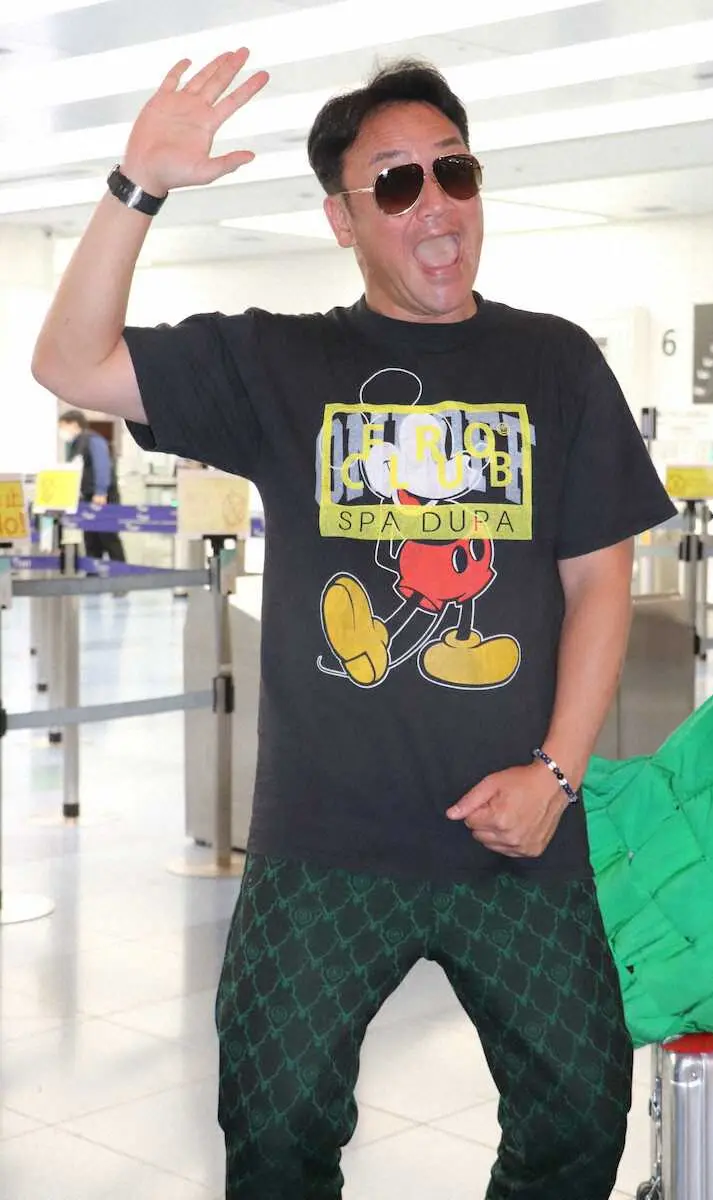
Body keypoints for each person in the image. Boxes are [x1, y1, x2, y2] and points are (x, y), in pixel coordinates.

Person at [32, 48, 677, 1200]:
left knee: (581, 1117)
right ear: (343, 218)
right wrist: (139, 184)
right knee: (276, 1128)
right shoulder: (281, 360)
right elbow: (70, 361)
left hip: (518, 840)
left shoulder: (556, 362)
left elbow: (597, 582)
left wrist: (556, 774)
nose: (436, 206)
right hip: (322, 842)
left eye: (455, 171)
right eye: (396, 183)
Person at [58, 409, 126, 563]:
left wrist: (100, 492)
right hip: (88, 497)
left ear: (74, 424)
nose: (61, 431)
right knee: (91, 539)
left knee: (108, 537)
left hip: (102, 498)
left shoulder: (93, 440)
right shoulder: (76, 444)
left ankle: (121, 573)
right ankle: (93, 573)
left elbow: (102, 466)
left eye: (62, 426)